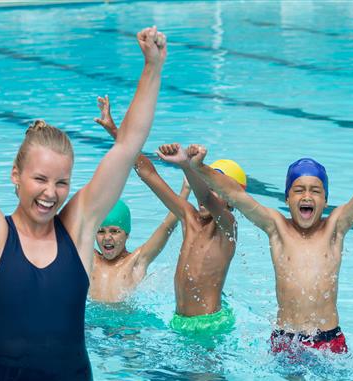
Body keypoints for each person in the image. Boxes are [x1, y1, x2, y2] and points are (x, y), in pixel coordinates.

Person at [0, 20, 167, 381]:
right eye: (40, 180)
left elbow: (127, 146)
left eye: (61, 183)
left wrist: (152, 67)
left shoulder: (79, 229)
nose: (51, 194)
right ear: (16, 175)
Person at [186, 137, 353, 355]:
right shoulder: (277, 227)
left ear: (325, 200)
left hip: (329, 339)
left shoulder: (334, 228)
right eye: (299, 190)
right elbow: (234, 194)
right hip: (286, 339)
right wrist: (200, 167)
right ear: (287, 198)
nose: (307, 196)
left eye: (315, 191)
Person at [95, 96, 246, 337]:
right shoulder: (189, 218)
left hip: (210, 326)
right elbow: (149, 174)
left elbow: (206, 198)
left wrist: (188, 165)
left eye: (216, 189)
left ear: (233, 198)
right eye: (206, 184)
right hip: (179, 323)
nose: (207, 192)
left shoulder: (229, 227)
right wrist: (116, 132)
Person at [90, 97, 189, 304]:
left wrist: (185, 191)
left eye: (115, 231)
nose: (107, 238)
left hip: (127, 332)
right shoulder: (89, 260)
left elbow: (167, 226)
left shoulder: (135, 262)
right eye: (101, 231)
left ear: (127, 234)